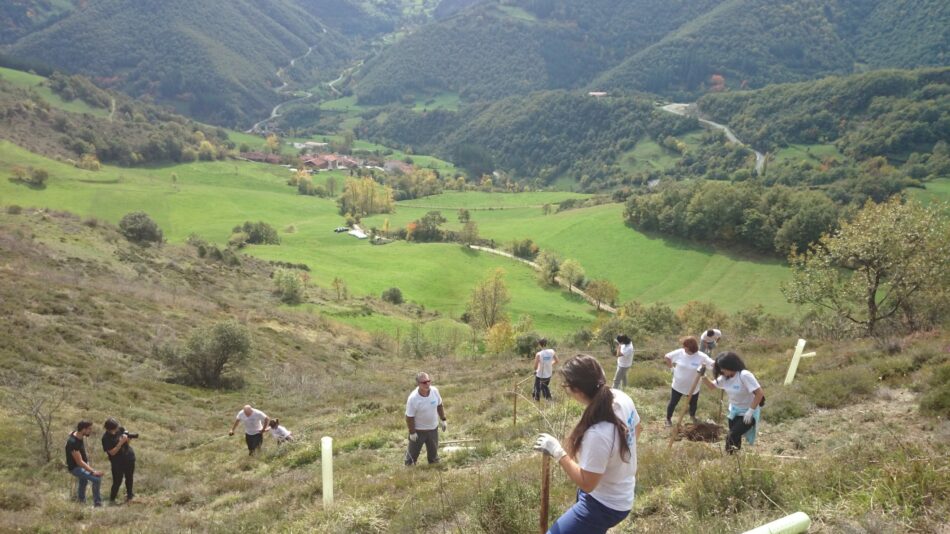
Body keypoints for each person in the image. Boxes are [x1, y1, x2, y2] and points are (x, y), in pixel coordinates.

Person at [533, 355, 642, 534]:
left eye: (566, 387)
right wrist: (615, 458)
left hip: (605, 505)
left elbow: (587, 483)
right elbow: (637, 429)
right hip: (619, 491)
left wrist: (557, 451)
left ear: (576, 390)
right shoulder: (621, 397)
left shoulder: (598, 433)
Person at [700, 352, 765, 453]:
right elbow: (712, 386)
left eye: (723, 368)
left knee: (731, 435)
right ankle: (734, 458)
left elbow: (759, 393)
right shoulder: (725, 377)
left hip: (747, 412)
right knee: (735, 437)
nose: (721, 370)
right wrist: (703, 376)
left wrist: (750, 411)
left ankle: (728, 458)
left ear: (731, 365)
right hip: (734, 411)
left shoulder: (744, 375)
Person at [664, 336, 715, 426]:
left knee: (693, 404)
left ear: (689, 347)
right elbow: (667, 357)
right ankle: (668, 419)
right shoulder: (680, 353)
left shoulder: (701, 356)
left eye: (684, 346)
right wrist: (672, 368)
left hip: (693, 386)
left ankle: (692, 416)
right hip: (678, 385)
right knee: (673, 402)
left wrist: (721, 364)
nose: (683, 348)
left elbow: (712, 364)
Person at [404, 372, 446, 466]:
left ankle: (433, 467)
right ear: (418, 384)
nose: (427, 384)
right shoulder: (413, 398)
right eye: (424, 382)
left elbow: (439, 405)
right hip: (419, 431)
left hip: (433, 429)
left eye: (428, 381)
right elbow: (409, 417)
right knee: (411, 457)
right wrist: (412, 432)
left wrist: (443, 419)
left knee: (433, 456)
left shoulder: (434, 391)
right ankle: (409, 468)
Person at [66, 420, 103, 507]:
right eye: (89, 429)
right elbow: (79, 462)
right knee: (97, 479)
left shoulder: (76, 434)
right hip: (76, 468)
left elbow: (71, 432)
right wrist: (93, 471)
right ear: (83, 429)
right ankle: (97, 503)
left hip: (81, 466)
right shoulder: (73, 443)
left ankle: (81, 502)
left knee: (83, 482)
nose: (91, 431)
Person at [101, 418, 136, 504]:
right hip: (117, 462)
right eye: (115, 428)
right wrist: (120, 442)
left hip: (129, 458)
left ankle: (129, 496)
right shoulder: (105, 438)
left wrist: (127, 439)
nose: (117, 429)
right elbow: (112, 452)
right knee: (117, 481)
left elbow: (127, 442)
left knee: (129, 478)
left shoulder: (121, 430)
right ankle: (112, 499)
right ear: (109, 429)